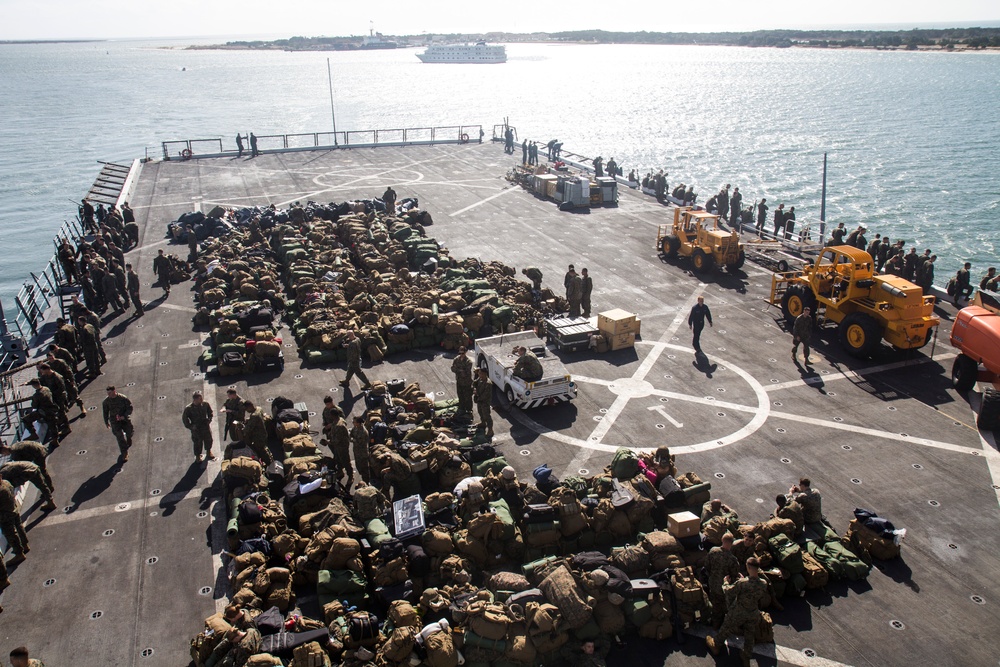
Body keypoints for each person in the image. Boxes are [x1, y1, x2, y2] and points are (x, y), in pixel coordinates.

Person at [704, 556, 769, 664]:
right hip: (753, 612)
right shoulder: (763, 583)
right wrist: (743, 579)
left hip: (739, 611)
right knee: (749, 634)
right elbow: (752, 589)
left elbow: (728, 591)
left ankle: (716, 645)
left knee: (727, 627)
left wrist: (725, 582)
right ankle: (746, 655)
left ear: (748, 567)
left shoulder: (743, 583)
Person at [706, 533, 741, 629]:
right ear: (732, 543)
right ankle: (722, 624)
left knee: (715, 604)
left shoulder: (713, 551)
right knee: (724, 605)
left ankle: (715, 622)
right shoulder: (733, 559)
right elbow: (734, 575)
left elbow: (707, 566)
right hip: (724, 587)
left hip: (713, 583)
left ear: (722, 540)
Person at [0, 473, 28, 566]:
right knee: (19, 527)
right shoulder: (6, 483)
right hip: (13, 509)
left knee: (11, 534)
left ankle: (19, 554)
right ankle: (24, 545)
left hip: (5, 516)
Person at [21, 380, 61, 447]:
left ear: (34, 386)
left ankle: (33, 434)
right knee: (53, 425)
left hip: (43, 412)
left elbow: (34, 406)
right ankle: (55, 440)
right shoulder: (46, 389)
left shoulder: (37, 395)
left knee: (25, 419)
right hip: (52, 409)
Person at [182, 391, 215, 462]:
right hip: (196, 429)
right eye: (200, 399)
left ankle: (208, 451)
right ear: (195, 399)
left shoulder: (205, 404)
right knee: (197, 443)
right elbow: (185, 419)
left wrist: (209, 419)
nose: (202, 400)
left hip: (205, 426)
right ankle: (197, 456)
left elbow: (210, 412)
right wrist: (191, 426)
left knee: (208, 439)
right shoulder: (189, 408)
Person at [102, 386, 133, 462]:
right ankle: (124, 452)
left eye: (110, 392)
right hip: (114, 421)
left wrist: (124, 416)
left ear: (114, 391)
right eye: (107, 393)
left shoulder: (123, 398)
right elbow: (105, 412)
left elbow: (130, 408)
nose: (108, 394)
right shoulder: (106, 402)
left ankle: (129, 438)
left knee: (129, 432)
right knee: (119, 436)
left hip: (124, 418)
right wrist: (106, 422)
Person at [242, 401, 272, 465]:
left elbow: (248, 429)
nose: (246, 411)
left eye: (246, 409)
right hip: (263, 432)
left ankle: (269, 462)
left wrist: (242, 429)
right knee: (264, 446)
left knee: (261, 450)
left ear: (250, 407)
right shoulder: (259, 409)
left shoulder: (254, 416)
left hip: (258, 436)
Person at [329, 411, 353, 487]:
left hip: (342, 446)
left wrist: (328, 442)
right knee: (337, 459)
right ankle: (340, 472)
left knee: (345, 461)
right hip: (337, 446)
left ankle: (350, 476)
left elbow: (338, 439)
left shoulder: (339, 425)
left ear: (333, 416)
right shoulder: (338, 421)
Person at [451, 346, 474, 416]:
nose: (461, 354)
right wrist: (460, 370)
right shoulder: (456, 359)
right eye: (460, 353)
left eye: (462, 353)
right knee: (460, 395)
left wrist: (458, 370)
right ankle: (462, 408)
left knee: (468, 397)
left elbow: (466, 373)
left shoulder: (468, 362)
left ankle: (469, 410)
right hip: (459, 381)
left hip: (466, 382)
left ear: (465, 352)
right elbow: (452, 368)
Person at [473, 367, 494, 439]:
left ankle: (490, 430)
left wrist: (477, 396)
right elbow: (475, 382)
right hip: (479, 400)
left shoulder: (488, 383)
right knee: (480, 412)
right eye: (479, 373)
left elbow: (485, 395)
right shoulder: (480, 379)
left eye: (481, 374)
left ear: (485, 374)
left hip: (485, 401)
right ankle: (483, 423)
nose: (479, 375)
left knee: (487, 415)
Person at [351, 415, 371, 484]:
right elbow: (352, 433)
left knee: (364, 469)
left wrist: (350, 439)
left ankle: (366, 482)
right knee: (359, 466)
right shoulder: (356, 428)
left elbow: (357, 442)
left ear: (358, 423)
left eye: (354, 422)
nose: (353, 423)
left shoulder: (363, 432)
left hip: (362, 453)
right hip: (357, 452)